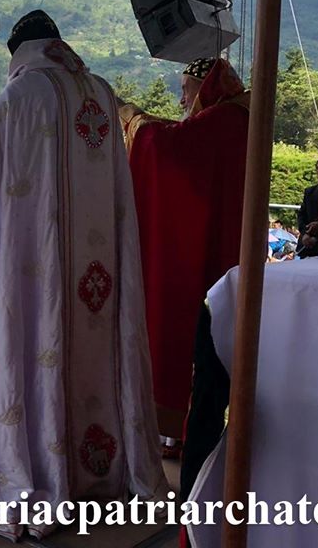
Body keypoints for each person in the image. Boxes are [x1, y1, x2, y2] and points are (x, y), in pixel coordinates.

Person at [0, 10, 164, 538]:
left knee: (40, 349)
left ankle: (42, 475)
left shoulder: (20, 97)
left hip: (36, 276)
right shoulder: (100, 92)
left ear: (19, 53)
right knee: (94, 358)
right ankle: (101, 471)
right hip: (99, 281)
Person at [118, 56, 250, 500]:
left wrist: (131, 116)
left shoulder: (224, 121)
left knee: (203, 369)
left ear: (207, 88)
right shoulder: (238, 120)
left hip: (210, 270)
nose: (181, 100)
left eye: (186, 89)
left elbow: (169, 146)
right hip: (229, 259)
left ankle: (197, 489)